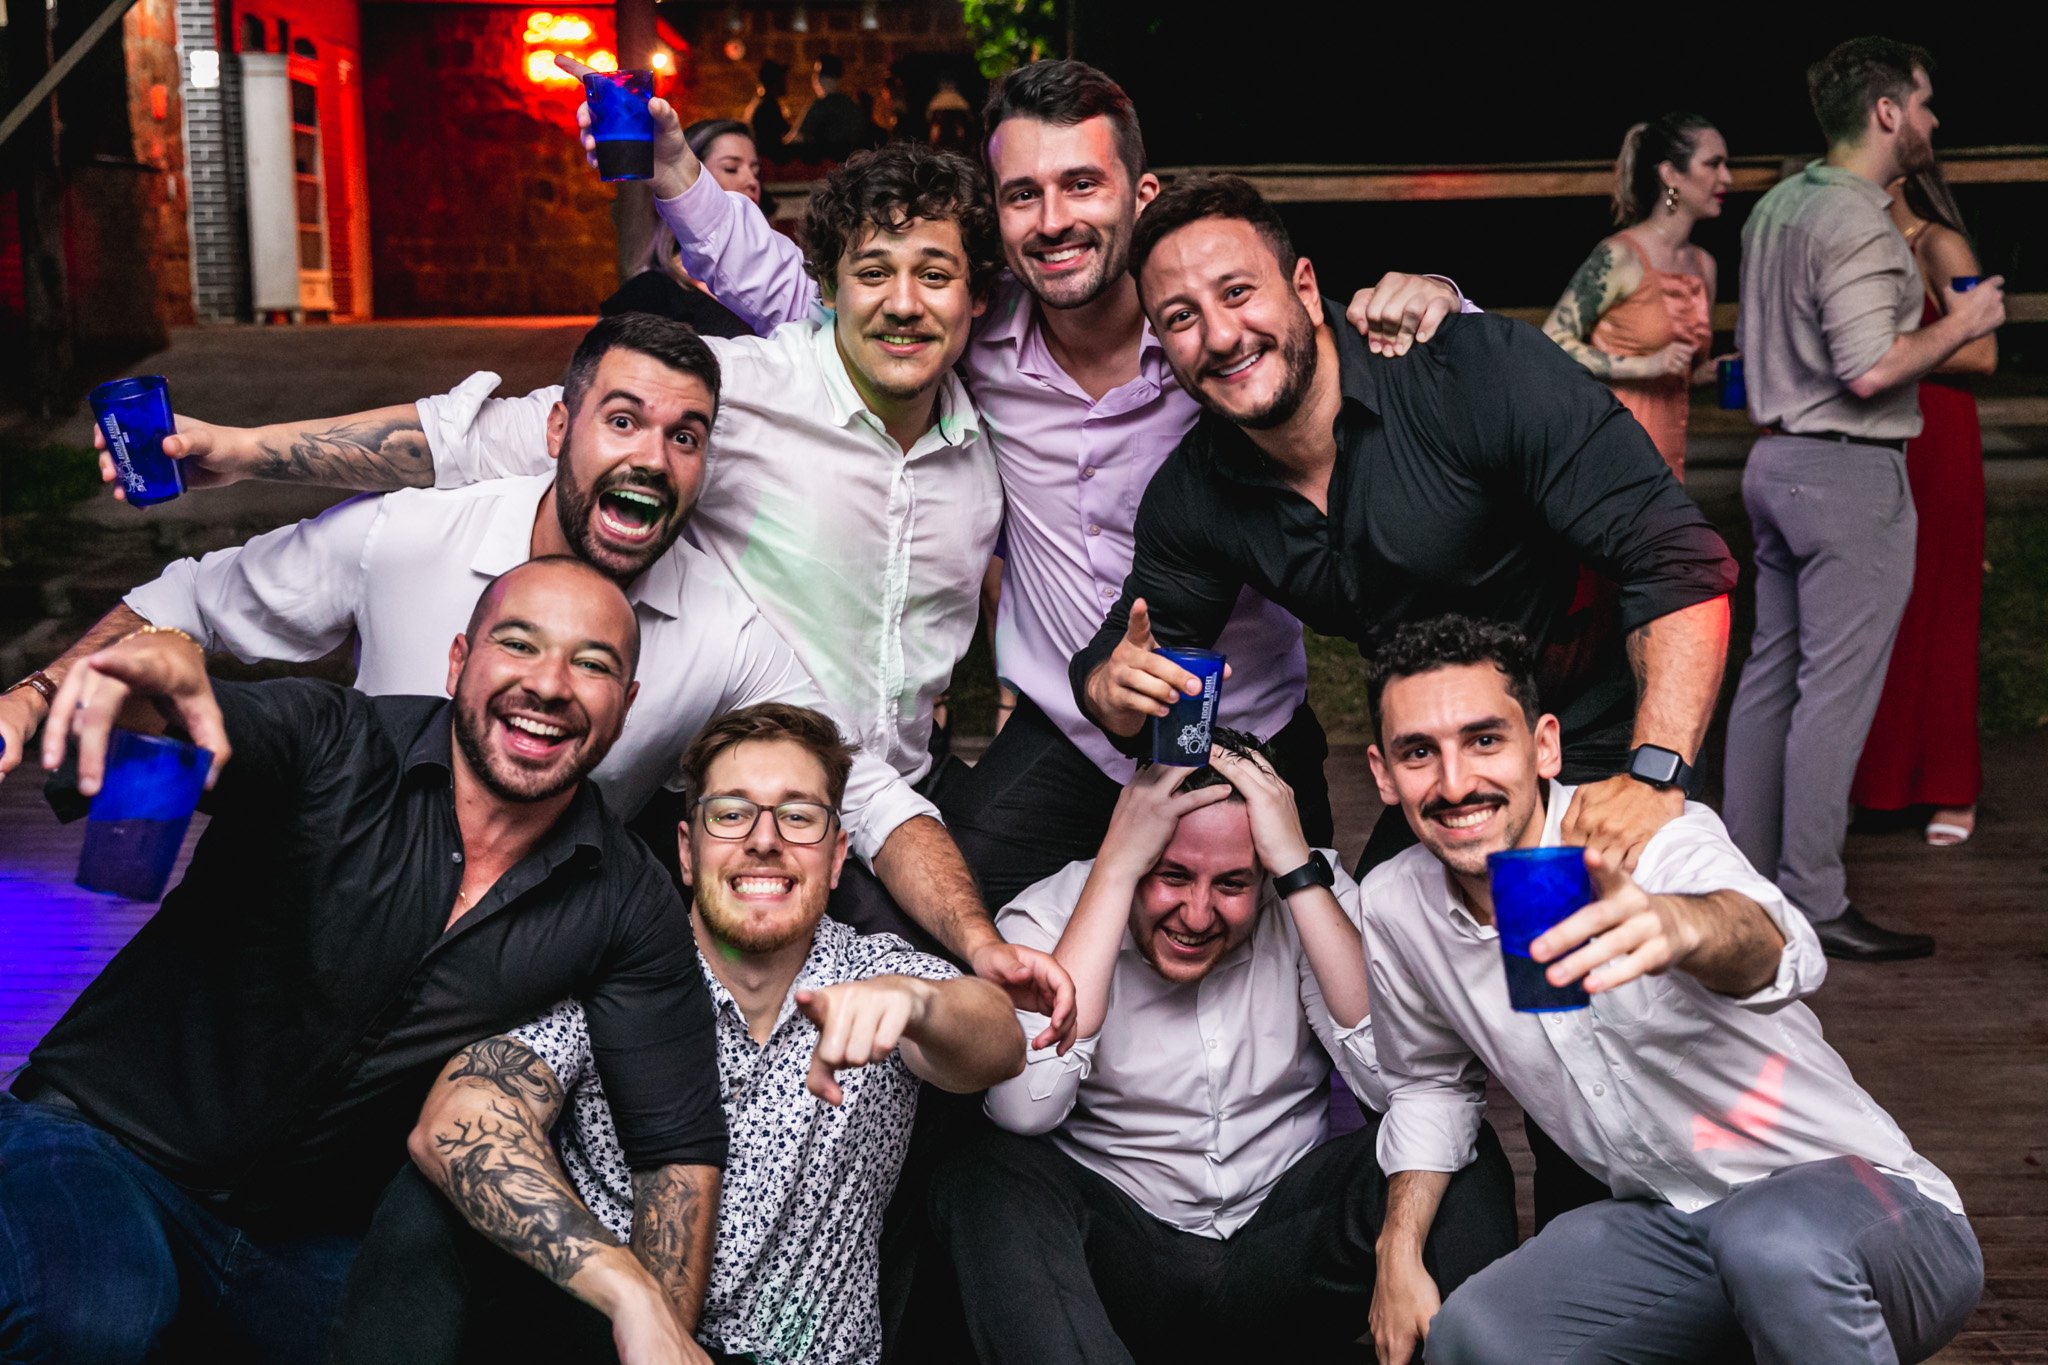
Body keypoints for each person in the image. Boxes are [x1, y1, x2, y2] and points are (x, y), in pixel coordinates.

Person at [632, 57, 1468, 908]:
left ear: (1141, 195)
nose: (1054, 219)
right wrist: (678, 177)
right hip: (1067, 739)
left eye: (1082, 184)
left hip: (1243, 727)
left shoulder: (1214, 347)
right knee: (951, 928)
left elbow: (1328, 352)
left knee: (1314, 943)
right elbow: (810, 292)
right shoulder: (974, 335)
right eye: (1023, 194)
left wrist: (1437, 304)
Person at [0, 560, 728, 1362]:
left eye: (591, 663)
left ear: (626, 704)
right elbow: (187, 731)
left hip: (302, 1243)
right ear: (458, 661)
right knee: (99, 1319)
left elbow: (674, 1147)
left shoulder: (628, 900)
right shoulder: (337, 739)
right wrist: (158, 685)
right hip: (101, 1143)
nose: (550, 684)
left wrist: (658, 1326)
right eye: (519, 644)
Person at [1071, 172, 1736, 885]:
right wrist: (1112, 691)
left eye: (1237, 292)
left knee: (1571, 933)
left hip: (1595, 735)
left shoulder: (1471, 371)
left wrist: (1654, 774)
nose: (1221, 335)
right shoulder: (1196, 493)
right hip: (1435, 759)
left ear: (1304, 288)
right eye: (1181, 317)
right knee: (1379, 934)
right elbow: (1130, 654)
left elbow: (1677, 559)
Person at [1355, 614, 1980, 1365]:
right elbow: (1430, 1084)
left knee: (1768, 1240)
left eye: (1485, 740)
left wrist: (1679, 925)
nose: (1456, 783)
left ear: (1544, 746)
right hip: (1674, 1228)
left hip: (1878, 1214)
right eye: (1419, 752)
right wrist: (1397, 1248)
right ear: (1383, 774)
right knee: (1478, 1332)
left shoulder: (1644, 838)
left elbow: (1780, 948)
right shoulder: (1395, 903)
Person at [329, 703, 1024, 1364]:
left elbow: (998, 1041)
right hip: (617, 1336)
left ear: (838, 855)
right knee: (427, 1205)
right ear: (687, 850)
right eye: (732, 813)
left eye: (798, 816)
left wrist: (915, 1003)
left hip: (803, 1351)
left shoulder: (879, 972)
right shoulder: (616, 970)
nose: (764, 839)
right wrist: (634, 1302)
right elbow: (460, 1121)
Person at [930, 729, 1517, 1362]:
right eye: (1172, 876)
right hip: (1126, 1263)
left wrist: (1296, 873)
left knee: (1457, 1155)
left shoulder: (1306, 891)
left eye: (1232, 884)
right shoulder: (1046, 917)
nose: (1197, 914)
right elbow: (1024, 1109)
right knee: (984, 1175)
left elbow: (1402, 1084)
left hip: (1280, 1250)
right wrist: (1115, 872)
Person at [1724, 37, 2005, 961]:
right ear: (1887, 113)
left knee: (1772, 675)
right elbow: (1871, 367)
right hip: (1846, 475)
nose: (1932, 120)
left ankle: (1743, 883)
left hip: (1774, 463)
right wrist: (1964, 322)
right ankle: (1812, 897)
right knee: (1832, 695)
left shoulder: (1779, 205)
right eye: (1923, 104)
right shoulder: (1856, 220)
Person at [1852, 159, 1997, 847]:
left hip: (1938, 431)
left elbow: (1984, 352)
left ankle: (1951, 788)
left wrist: (1892, 355)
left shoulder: (1940, 243)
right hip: (1877, 430)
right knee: (1879, 612)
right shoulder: (1855, 245)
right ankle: (1880, 783)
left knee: (1939, 607)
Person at [1542, 113, 1730, 479]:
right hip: (1611, 457)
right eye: (1713, 164)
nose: (1727, 178)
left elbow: (1678, 375)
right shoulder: (1620, 256)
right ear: (1670, 174)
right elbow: (1552, 341)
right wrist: (1645, 366)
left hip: (1667, 463)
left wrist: (1706, 373)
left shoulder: (1704, 266)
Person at [599, 120, 761, 337]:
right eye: (731, 168)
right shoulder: (651, 294)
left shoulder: (772, 279)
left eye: (756, 172)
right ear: (688, 181)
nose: (751, 181)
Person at [791, 54, 868, 162]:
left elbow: (798, 138)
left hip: (825, 165)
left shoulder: (821, 105)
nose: (815, 77)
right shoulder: (851, 104)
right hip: (849, 163)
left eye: (817, 73)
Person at [743, 59, 790, 157]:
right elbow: (786, 132)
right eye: (782, 80)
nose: (786, 84)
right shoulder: (769, 106)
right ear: (774, 83)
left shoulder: (760, 102)